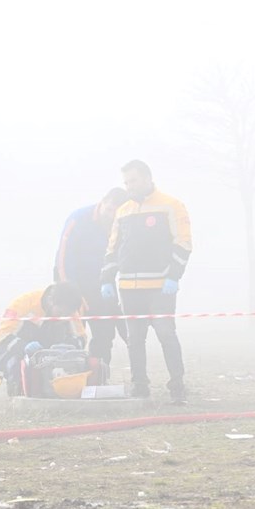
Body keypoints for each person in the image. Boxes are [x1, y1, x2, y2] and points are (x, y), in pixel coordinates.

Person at [101, 160, 192, 402]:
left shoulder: (171, 205)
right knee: (134, 340)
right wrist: (107, 278)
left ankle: (177, 385)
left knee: (166, 334)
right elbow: (113, 248)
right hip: (129, 288)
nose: (129, 186)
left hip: (160, 288)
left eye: (133, 181)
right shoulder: (123, 211)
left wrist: (173, 277)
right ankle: (140, 386)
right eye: (126, 182)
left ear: (147, 178)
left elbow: (183, 243)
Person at [55, 187, 128, 383]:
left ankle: (98, 380)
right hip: (72, 285)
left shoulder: (122, 223)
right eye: (109, 209)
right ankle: (67, 379)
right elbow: (63, 258)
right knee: (70, 337)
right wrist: (72, 294)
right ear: (103, 202)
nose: (111, 215)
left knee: (104, 336)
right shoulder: (78, 219)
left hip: (103, 287)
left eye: (116, 212)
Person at [0, 282, 86, 395]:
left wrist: (69, 346)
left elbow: (81, 338)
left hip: (51, 355)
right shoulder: (23, 303)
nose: (62, 318)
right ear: (51, 301)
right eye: (60, 313)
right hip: (19, 352)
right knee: (16, 364)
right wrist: (24, 347)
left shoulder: (70, 310)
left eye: (67, 315)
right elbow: (3, 335)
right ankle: (17, 394)